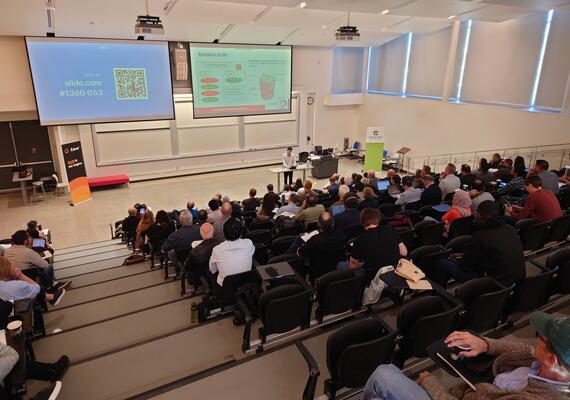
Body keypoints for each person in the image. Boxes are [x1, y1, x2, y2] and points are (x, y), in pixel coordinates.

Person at [363, 311, 570, 400]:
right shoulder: (553, 367)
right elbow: (525, 352)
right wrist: (485, 344)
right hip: (470, 389)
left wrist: (430, 382)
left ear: (551, 360)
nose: (536, 339)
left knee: (384, 374)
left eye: (541, 337)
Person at [432, 200, 525, 288]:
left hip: (493, 282)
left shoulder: (481, 236)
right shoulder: (510, 229)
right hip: (515, 280)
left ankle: (439, 296)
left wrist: (458, 260)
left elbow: (466, 266)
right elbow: (494, 253)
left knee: (442, 264)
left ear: (480, 216)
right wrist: (464, 254)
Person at [338, 208, 407, 276]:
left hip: (376, 277)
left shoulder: (359, 240)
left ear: (362, 221)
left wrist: (361, 264)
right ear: (378, 218)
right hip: (397, 272)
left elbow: (353, 266)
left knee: (341, 265)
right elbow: (404, 253)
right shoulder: (389, 229)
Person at [4, 231, 69, 292]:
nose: (30, 238)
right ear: (25, 241)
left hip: (11, 277)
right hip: (28, 276)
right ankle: (49, 287)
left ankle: (54, 284)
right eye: (28, 237)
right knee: (49, 266)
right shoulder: (28, 252)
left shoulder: (7, 251)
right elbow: (45, 264)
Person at [297, 212, 346, 280]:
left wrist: (300, 247)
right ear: (333, 223)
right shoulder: (341, 234)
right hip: (336, 268)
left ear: (318, 224)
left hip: (318, 273)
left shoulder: (315, 240)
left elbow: (300, 253)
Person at [0, 257, 65, 306]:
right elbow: (37, 289)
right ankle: (50, 293)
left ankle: (49, 295)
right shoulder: (15, 285)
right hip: (18, 309)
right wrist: (21, 275)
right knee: (48, 267)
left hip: (9, 306)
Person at [209, 218, 254, 288]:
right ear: (241, 232)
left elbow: (213, 270)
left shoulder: (217, 250)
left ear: (224, 233)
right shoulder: (249, 243)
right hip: (246, 284)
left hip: (225, 288)